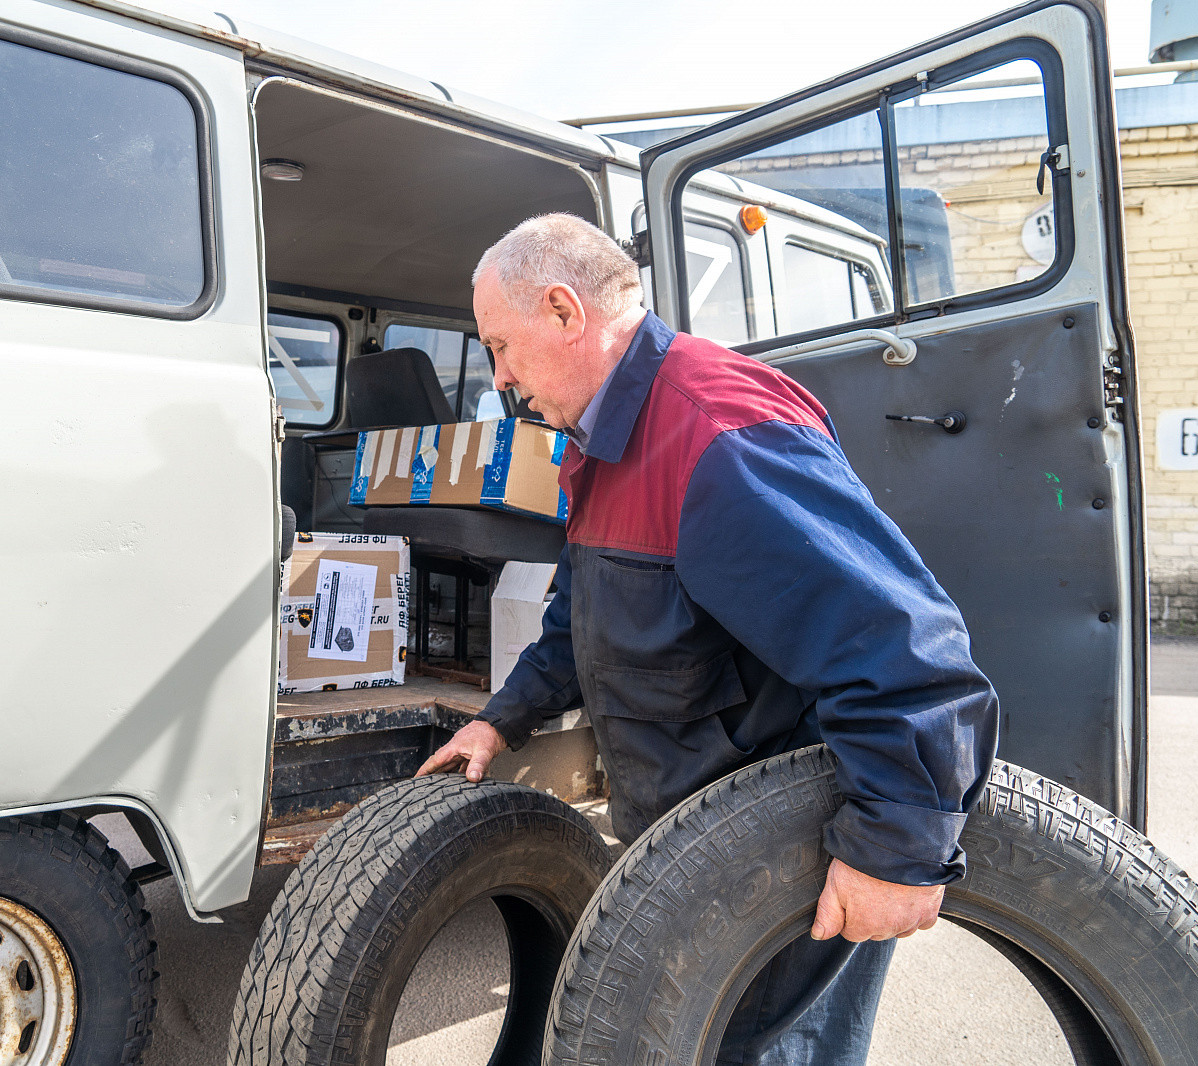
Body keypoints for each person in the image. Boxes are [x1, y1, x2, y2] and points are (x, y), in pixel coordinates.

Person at [416, 213, 999, 1064]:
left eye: (502, 347)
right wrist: (501, 719)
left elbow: (904, 648)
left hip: (784, 867)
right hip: (688, 845)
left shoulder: (715, 433)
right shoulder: (600, 442)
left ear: (564, 310)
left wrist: (899, 850)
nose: (502, 379)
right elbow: (582, 618)